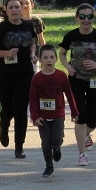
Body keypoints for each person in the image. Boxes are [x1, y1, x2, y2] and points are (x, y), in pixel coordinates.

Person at [58, 3, 96, 166]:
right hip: (75, 79)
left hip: (95, 80)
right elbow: (62, 53)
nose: (86, 20)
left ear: (93, 17)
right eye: (82, 16)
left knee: (93, 120)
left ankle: (85, 135)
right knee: (80, 116)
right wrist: (68, 67)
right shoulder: (71, 35)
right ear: (77, 18)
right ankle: (82, 154)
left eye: (89, 16)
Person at [0, 0, 38, 158]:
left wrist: (32, 54)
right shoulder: (0, 28)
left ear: (22, 8)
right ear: (6, 10)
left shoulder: (29, 25)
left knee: (21, 110)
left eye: (17, 7)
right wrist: (7, 53)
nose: (15, 10)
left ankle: (19, 146)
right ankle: (4, 125)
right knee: (8, 109)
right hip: (4, 74)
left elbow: (33, 42)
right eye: (11, 7)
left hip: (25, 73)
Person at [29, 44, 79, 177]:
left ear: (56, 59)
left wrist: (74, 112)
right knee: (45, 143)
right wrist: (34, 116)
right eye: (45, 57)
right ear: (40, 60)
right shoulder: (36, 78)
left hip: (58, 115)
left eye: (51, 57)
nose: (49, 60)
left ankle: (57, 148)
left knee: (56, 139)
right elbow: (32, 99)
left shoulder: (61, 76)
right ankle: (49, 166)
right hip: (42, 116)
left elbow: (69, 94)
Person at [20, 0, 46, 72]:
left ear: (32, 5)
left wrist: (44, 56)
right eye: (21, 3)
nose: (24, 6)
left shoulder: (37, 21)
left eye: (27, 3)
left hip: (34, 57)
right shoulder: (15, 21)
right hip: (19, 56)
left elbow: (41, 40)